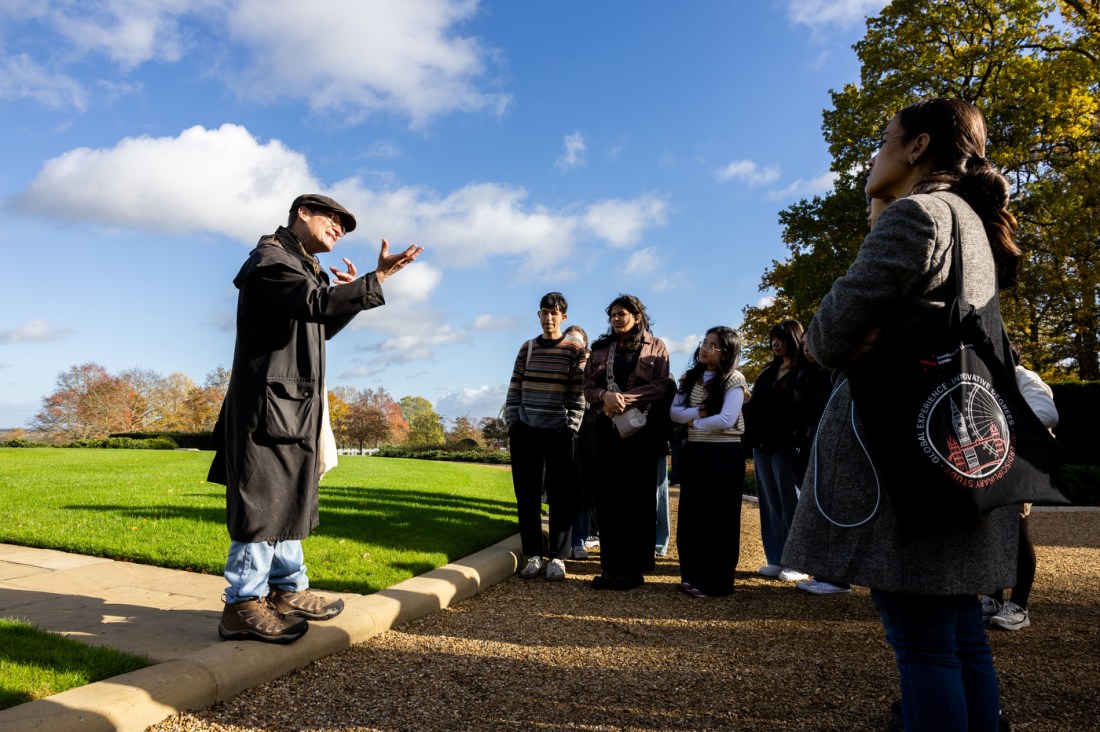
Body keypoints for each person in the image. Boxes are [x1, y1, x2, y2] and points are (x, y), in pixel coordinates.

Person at [782, 98, 1023, 731]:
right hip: (955, 448)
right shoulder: (971, 219)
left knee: (922, 641)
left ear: (916, 147)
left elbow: (828, 337)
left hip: (906, 459)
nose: (875, 153)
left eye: (884, 138)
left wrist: (865, 335)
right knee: (960, 631)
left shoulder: (917, 215)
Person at [208, 194, 423, 643]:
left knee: (287, 498)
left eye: (345, 224)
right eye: (334, 219)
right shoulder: (270, 259)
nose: (340, 228)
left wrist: (350, 296)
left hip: (291, 406)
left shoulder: (302, 266)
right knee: (261, 503)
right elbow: (315, 304)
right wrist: (375, 278)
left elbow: (318, 324)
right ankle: (242, 605)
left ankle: (287, 591)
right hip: (266, 409)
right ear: (302, 213)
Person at [582, 294, 670, 590]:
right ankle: (611, 568)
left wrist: (624, 399)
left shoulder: (656, 346)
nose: (617, 319)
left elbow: (659, 386)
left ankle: (633, 570)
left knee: (638, 501)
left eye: (622, 314)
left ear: (637, 315)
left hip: (640, 434)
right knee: (607, 500)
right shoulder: (602, 349)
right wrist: (604, 397)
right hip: (605, 432)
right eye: (613, 315)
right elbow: (588, 386)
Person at [505, 293, 586, 581]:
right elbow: (514, 386)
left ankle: (559, 558)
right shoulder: (527, 348)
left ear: (563, 316)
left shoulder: (574, 347)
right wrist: (513, 421)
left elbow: (579, 392)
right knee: (526, 496)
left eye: (554, 313)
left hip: (558, 431)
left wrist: (572, 425)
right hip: (526, 430)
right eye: (544, 312)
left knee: (560, 495)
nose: (549, 318)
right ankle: (534, 555)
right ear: (538, 315)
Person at [669, 326, 748, 598]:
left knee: (721, 518)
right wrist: (699, 415)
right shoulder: (689, 378)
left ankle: (717, 582)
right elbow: (674, 413)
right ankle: (692, 576)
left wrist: (695, 420)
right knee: (693, 516)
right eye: (704, 341)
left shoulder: (734, 380)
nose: (704, 347)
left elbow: (727, 419)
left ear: (726, 352)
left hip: (724, 455)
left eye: (712, 344)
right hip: (695, 452)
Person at [983, 354, 1059, 631]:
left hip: (1020, 464)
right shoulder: (984, 376)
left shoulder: (1023, 377)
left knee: (1016, 529)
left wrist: (998, 431)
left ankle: (1019, 605)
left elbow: (1047, 413)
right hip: (990, 462)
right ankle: (992, 598)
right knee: (988, 529)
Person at [740, 319, 808, 582]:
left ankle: (798, 560)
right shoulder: (769, 371)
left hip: (787, 446)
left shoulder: (803, 371)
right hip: (762, 445)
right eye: (772, 338)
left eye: (780, 338)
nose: (774, 343)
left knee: (792, 501)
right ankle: (776, 557)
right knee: (769, 503)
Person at [791, 339, 850, 596]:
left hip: (830, 444)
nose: (807, 348)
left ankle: (835, 577)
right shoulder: (806, 374)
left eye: (812, 342)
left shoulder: (836, 375)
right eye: (804, 344)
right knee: (815, 505)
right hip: (808, 442)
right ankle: (821, 572)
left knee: (831, 506)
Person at [563, 325, 597, 560]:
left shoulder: (593, 367)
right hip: (563, 431)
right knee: (563, 491)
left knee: (583, 493)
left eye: (578, 341)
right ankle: (564, 541)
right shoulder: (561, 365)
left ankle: (579, 540)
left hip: (587, 434)